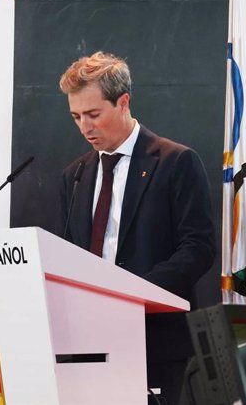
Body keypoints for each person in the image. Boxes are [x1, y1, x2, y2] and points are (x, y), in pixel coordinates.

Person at [57, 51, 216, 404]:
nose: (85, 127)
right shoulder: (76, 175)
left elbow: (198, 247)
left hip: (155, 343)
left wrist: (131, 295)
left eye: (94, 114)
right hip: (87, 346)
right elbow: (68, 256)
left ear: (124, 101)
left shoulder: (176, 162)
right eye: (76, 116)